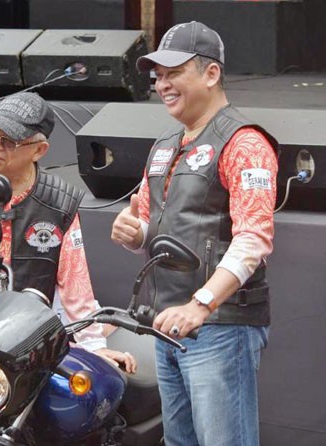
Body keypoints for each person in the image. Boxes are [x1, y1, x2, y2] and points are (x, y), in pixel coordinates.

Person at [0, 91, 137, 437]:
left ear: (39, 150)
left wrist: (95, 347)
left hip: (10, 341)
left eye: (9, 141)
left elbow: (75, 282)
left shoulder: (60, 202)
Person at [110, 21, 278, 446]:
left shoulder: (245, 143)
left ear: (211, 73)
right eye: (157, 75)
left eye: (174, 73)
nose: (162, 84)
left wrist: (201, 304)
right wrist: (134, 233)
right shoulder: (165, 144)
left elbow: (253, 239)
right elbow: (157, 226)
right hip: (168, 324)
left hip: (219, 326)